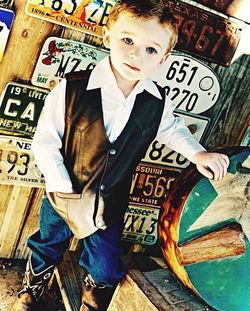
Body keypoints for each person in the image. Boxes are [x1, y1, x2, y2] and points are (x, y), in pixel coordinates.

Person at [10, 0, 229, 310]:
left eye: (151, 50)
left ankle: (92, 301)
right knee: (48, 243)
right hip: (64, 192)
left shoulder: (156, 101)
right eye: (127, 40)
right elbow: (45, 141)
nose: (136, 54)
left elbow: (171, 130)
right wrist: (62, 186)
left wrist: (198, 154)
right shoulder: (71, 90)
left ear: (164, 58)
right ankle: (31, 292)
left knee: (104, 263)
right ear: (107, 35)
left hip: (111, 198)